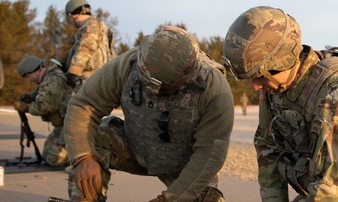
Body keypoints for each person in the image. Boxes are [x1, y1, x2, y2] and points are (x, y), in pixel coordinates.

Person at [63, 26, 234, 202]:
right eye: (147, 84)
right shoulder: (126, 65)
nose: (153, 93)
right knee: (90, 145)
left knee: (208, 197)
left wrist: (169, 199)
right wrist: (83, 157)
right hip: (134, 146)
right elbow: (84, 105)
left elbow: (210, 153)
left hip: (183, 163)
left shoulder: (214, 89)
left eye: (164, 89)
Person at [222, 6, 338, 202]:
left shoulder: (337, 91)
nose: (255, 87)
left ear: (282, 61)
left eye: (260, 77)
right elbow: (267, 149)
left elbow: (334, 190)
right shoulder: (274, 90)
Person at [14, 56, 70, 166]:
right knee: (47, 153)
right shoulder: (48, 78)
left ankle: (86, 157)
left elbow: (46, 107)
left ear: (35, 70)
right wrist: (29, 97)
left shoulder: (53, 79)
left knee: (55, 159)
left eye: (28, 76)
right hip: (64, 125)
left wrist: (24, 108)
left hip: (71, 125)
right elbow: (43, 95)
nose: (29, 80)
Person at [63, 0, 115, 89]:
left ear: (74, 15)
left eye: (69, 17)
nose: (70, 21)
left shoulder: (91, 26)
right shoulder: (94, 26)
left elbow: (87, 47)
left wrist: (74, 70)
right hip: (97, 78)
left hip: (91, 79)